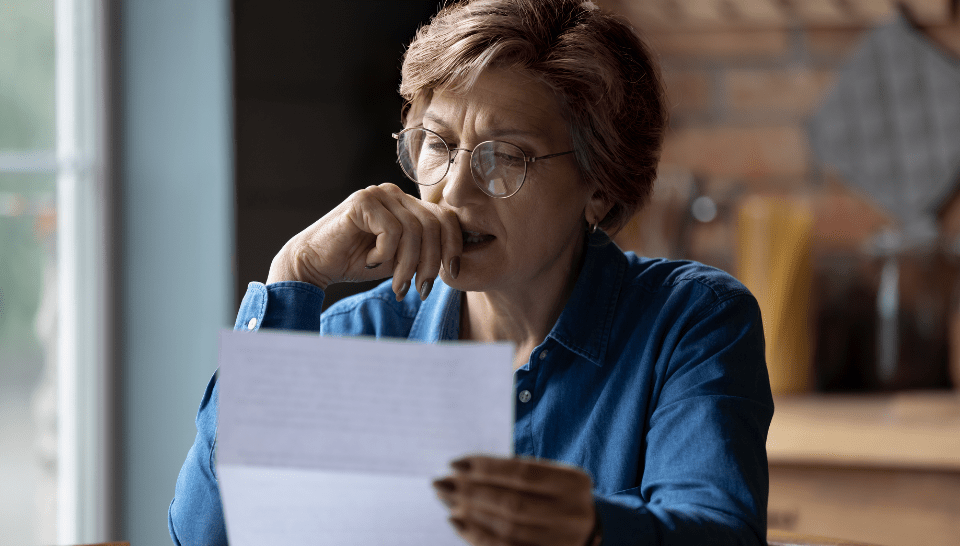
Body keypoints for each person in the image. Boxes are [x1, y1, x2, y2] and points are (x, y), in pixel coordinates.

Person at [169, 0, 774, 544]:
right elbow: (205, 537)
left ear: (600, 185)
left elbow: (719, 532)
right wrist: (291, 277)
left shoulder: (691, 320)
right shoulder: (363, 332)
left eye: (505, 156)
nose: (454, 191)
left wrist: (589, 528)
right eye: (436, 144)